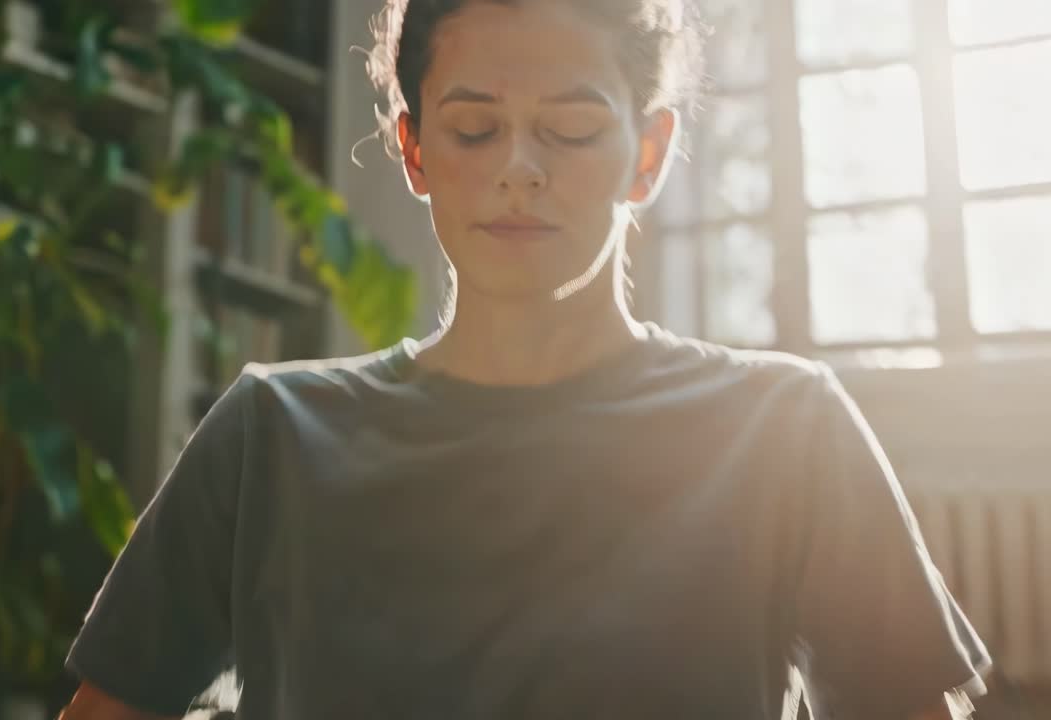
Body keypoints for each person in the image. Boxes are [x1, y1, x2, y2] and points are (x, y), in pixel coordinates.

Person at [59, 0, 992, 718]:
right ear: (413, 148)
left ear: (649, 153)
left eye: (571, 130)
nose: (519, 168)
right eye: (473, 129)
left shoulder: (786, 427)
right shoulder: (270, 435)